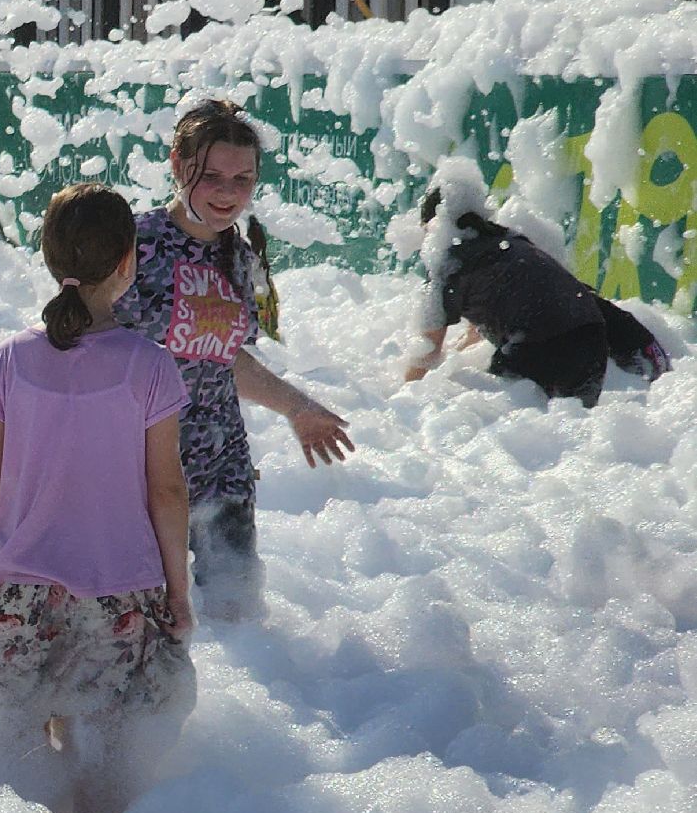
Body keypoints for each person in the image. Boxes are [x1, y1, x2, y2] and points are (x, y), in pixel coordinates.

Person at [0, 183, 196, 813]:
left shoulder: (9, 359)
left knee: (16, 770)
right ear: (128, 262)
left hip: (15, 595)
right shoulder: (150, 366)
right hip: (117, 596)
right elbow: (167, 491)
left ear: (48, 257)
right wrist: (179, 593)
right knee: (105, 767)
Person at [114, 99, 354, 623]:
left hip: (220, 463)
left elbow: (224, 358)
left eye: (243, 180)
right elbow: (87, 345)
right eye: (212, 176)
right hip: (139, 468)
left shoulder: (241, 258)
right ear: (178, 165)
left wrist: (297, 408)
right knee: (138, 624)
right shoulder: (133, 244)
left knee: (236, 620)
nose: (228, 193)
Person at [408, 190, 671, 406]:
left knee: (498, 422)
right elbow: (499, 311)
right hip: (594, 344)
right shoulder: (510, 240)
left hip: (541, 351)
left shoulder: (447, 267)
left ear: (433, 228)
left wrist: (404, 397)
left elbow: (427, 353)